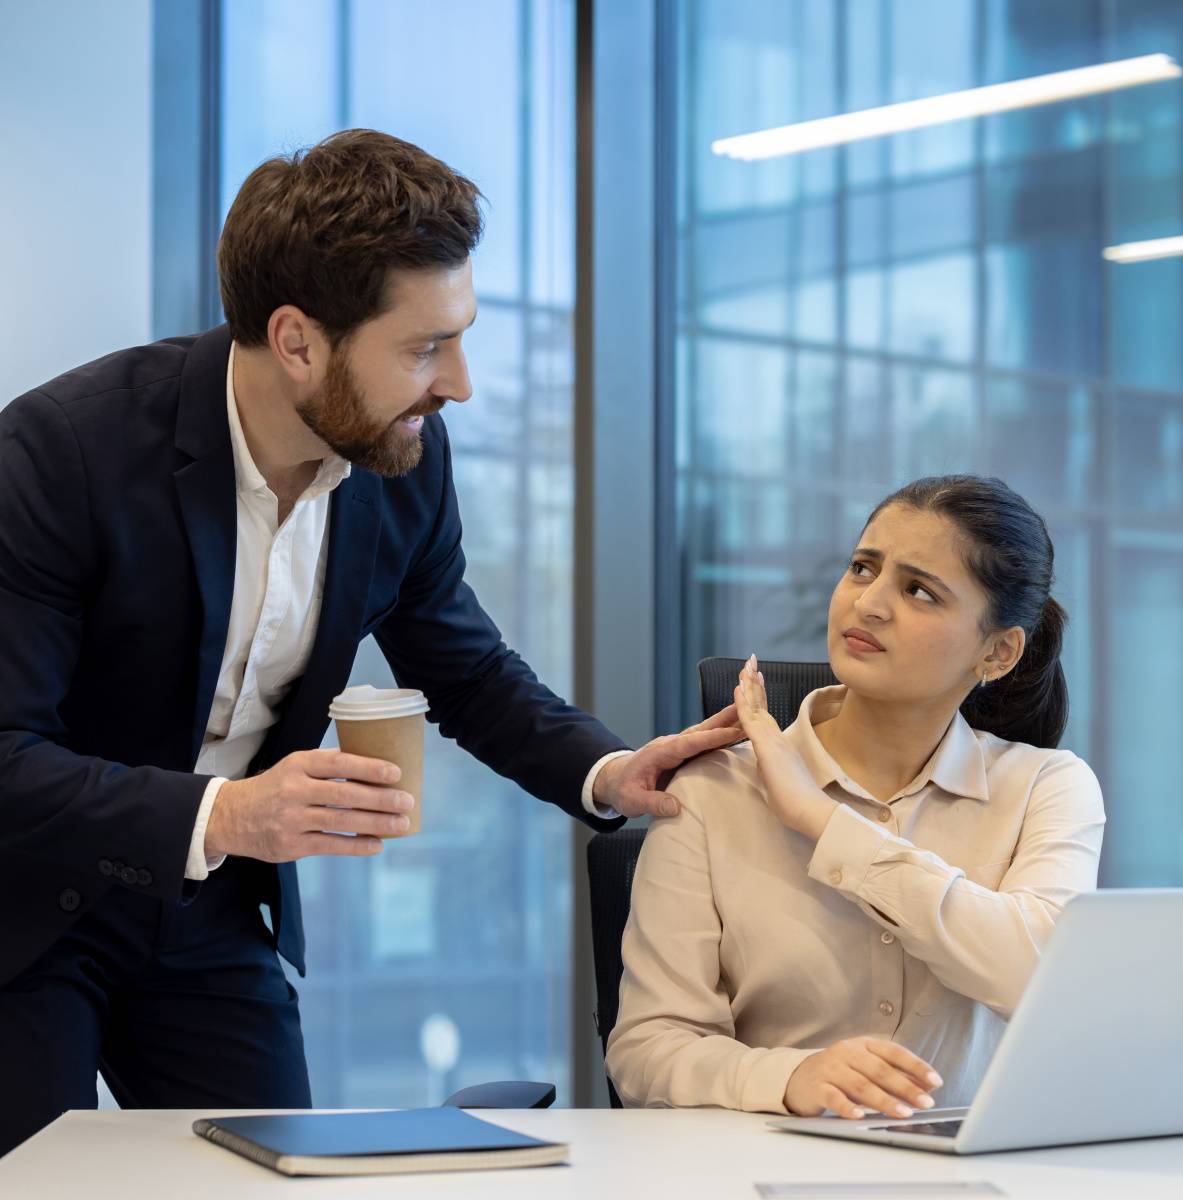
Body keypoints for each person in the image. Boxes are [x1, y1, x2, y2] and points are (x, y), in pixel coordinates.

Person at [0, 129, 740, 1155]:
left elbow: (467, 672)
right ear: (298, 340)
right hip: (29, 904)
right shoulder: (58, 453)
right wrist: (233, 810)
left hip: (210, 908)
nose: (462, 385)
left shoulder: (402, 463)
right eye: (425, 348)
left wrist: (611, 771)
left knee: (283, 1178)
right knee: (41, 1183)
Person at [606, 475, 1106, 1118]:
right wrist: (788, 1078)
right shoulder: (712, 791)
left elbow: (1041, 980)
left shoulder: (1047, 787)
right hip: (758, 1171)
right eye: (863, 568)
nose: (868, 603)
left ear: (997, 651)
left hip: (972, 1177)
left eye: (919, 590)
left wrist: (821, 822)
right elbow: (645, 1051)